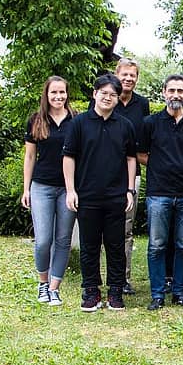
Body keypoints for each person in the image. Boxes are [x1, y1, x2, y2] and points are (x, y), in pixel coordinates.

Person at [63, 73, 137, 311]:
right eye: (103, 93)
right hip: (87, 196)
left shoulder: (125, 126)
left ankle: (115, 291)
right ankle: (91, 291)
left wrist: (129, 190)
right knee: (89, 246)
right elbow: (68, 157)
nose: (108, 98)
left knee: (116, 246)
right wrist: (71, 190)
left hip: (117, 196)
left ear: (117, 98)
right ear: (95, 94)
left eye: (113, 94)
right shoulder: (79, 123)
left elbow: (131, 158)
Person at [138, 74, 183, 310]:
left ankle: (179, 291)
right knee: (157, 245)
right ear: (164, 92)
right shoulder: (150, 123)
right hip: (159, 193)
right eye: (172, 90)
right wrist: (161, 166)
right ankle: (158, 294)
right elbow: (141, 154)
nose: (176, 95)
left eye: (180, 90)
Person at [22, 76, 77, 306]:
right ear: (46, 94)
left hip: (68, 189)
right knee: (43, 240)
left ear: (67, 94)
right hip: (42, 187)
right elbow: (30, 156)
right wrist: (26, 189)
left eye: (62, 92)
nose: (58, 96)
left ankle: (54, 288)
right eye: (54, 92)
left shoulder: (76, 120)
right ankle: (43, 283)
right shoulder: (36, 120)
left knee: (63, 240)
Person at [112, 57, 150, 295]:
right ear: (116, 74)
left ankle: (123, 278)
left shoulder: (142, 104)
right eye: (124, 74)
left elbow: (143, 141)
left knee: (126, 229)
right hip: (103, 174)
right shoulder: (105, 98)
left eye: (132, 75)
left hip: (131, 175)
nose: (128, 79)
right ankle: (100, 278)